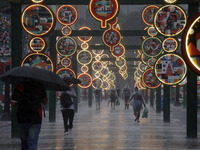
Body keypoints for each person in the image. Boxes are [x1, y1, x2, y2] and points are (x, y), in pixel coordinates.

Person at [11, 79, 47, 150]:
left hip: (22, 118)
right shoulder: (40, 86)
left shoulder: (20, 86)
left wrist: (21, 103)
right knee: (33, 142)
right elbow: (45, 102)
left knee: (24, 143)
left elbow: (13, 103)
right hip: (36, 118)